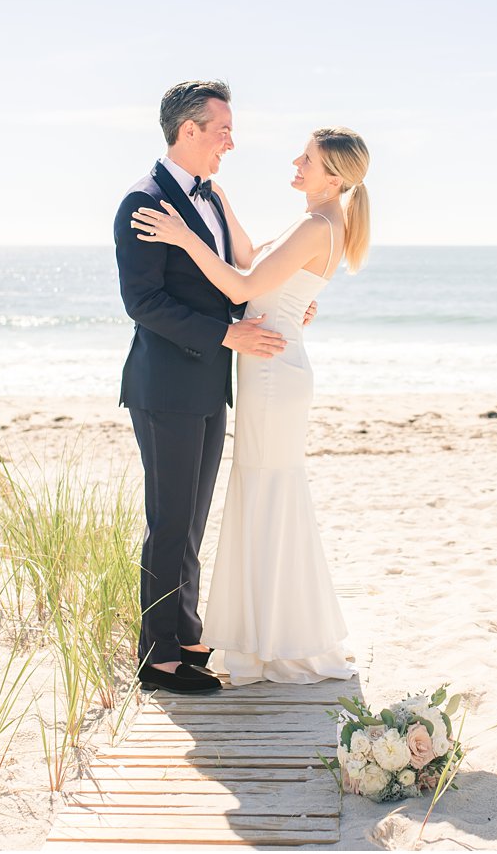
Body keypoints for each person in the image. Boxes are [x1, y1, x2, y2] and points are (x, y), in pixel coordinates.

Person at [131, 126, 371, 685]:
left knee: (269, 492)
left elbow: (241, 287)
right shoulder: (321, 221)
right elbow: (251, 257)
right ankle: (272, 634)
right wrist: (218, 204)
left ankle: (275, 641)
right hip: (274, 366)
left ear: (333, 177)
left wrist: (184, 237)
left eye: (306, 159)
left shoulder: (317, 225)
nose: (296, 161)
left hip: (270, 373)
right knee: (268, 491)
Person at [114, 80, 298, 695]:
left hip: (208, 385)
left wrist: (285, 306)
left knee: (192, 519)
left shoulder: (212, 199)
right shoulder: (142, 201)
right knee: (169, 521)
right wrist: (227, 336)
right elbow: (144, 303)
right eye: (222, 129)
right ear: (187, 130)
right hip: (165, 384)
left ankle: (188, 638)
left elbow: (236, 274)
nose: (231, 141)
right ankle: (157, 659)